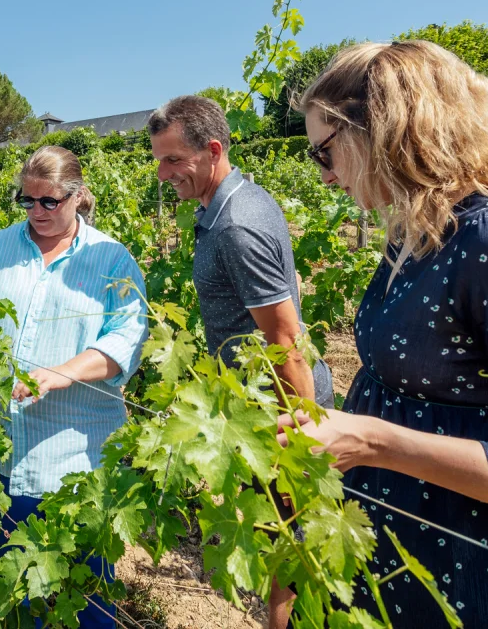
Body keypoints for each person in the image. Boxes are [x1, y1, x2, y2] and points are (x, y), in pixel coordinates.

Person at [278, 40, 488, 628]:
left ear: (387, 130)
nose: (326, 176)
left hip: (461, 572)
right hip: (387, 551)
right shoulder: (412, 232)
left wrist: (379, 443)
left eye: (324, 154)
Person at [148, 95, 334, 629]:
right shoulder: (234, 202)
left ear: (211, 151)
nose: (163, 175)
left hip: (278, 414)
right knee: (282, 546)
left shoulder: (236, 226)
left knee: (284, 550)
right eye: (159, 159)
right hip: (257, 406)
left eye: (173, 160)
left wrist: (300, 443)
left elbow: (284, 342)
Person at [0, 146, 148, 628]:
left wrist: (61, 372)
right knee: (14, 592)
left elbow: (127, 337)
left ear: (76, 196)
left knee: (88, 598)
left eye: (49, 202)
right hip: (4, 455)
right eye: (26, 201)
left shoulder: (111, 258)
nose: (36, 212)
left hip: (76, 461)